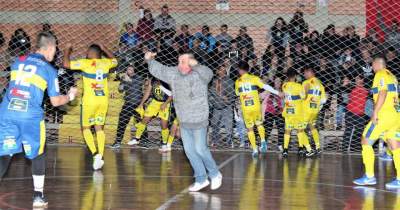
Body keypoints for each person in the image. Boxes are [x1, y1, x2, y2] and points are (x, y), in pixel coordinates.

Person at [0, 32, 78, 208]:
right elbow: (55, 102)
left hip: (7, 112)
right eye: (56, 49)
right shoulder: (48, 69)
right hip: (29, 115)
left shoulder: (17, 61)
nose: (55, 53)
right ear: (49, 47)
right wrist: (70, 96)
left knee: (5, 153)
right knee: (38, 153)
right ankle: (38, 196)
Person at [145, 52, 222, 192]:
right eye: (179, 61)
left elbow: (209, 73)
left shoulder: (200, 74)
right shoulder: (174, 73)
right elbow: (159, 70)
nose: (179, 64)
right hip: (184, 120)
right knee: (190, 151)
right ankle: (201, 179)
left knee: (200, 149)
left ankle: (215, 174)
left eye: (183, 61)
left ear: (191, 63)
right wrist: (150, 59)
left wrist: (196, 65)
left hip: (199, 119)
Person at [63, 43, 118, 170]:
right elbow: (115, 60)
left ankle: (95, 154)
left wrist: (67, 50)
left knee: (86, 128)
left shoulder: (85, 63)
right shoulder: (106, 63)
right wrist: (105, 49)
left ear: (90, 53)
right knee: (99, 129)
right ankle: (101, 156)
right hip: (103, 100)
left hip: (90, 101)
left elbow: (66, 64)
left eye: (87, 51)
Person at [353, 56, 400, 189]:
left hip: (384, 115)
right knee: (395, 146)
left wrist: (375, 112)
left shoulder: (380, 74)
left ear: (378, 63)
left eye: (372, 64)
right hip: (396, 115)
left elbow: (383, 92)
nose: (372, 67)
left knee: (365, 140)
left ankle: (369, 176)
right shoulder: (392, 76)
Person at [235, 60, 281, 157]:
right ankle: (263, 140)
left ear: (239, 70)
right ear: (248, 69)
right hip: (255, 106)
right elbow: (266, 86)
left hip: (246, 108)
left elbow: (238, 94)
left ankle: (255, 149)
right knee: (259, 124)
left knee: (250, 129)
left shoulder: (237, 82)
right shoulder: (254, 78)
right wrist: (277, 93)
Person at [128, 78, 173, 153]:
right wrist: (141, 103)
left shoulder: (167, 80)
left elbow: (173, 94)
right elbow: (147, 92)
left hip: (165, 103)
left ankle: (164, 144)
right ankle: (137, 139)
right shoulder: (152, 80)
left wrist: (165, 104)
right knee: (145, 119)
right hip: (155, 102)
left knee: (163, 124)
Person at [110, 64, 146, 149]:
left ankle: (144, 142)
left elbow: (136, 84)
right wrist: (122, 82)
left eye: (130, 69)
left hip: (138, 104)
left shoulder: (139, 78)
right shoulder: (124, 78)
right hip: (128, 103)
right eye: (127, 69)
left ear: (134, 70)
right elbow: (120, 90)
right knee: (122, 122)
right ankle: (118, 141)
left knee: (142, 123)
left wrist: (126, 78)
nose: (128, 71)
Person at [281, 69, 314, 157]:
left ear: (287, 76)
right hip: (297, 112)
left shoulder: (284, 86)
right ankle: (300, 148)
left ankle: (285, 150)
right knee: (300, 131)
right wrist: (307, 90)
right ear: (295, 76)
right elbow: (304, 97)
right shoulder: (299, 86)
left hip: (288, 111)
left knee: (287, 131)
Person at [302, 65, 326, 155]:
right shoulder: (320, 84)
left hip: (306, 110)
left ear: (310, 72)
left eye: (305, 72)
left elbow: (303, 97)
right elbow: (324, 100)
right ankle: (318, 147)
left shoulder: (306, 83)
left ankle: (309, 149)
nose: (304, 74)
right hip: (315, 111)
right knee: (312, 128)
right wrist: (317, 107)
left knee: (300, 129)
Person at [209, 64, 235, 147]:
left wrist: (227, 99)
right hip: (216, 106)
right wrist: (213, 102)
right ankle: (214, 141)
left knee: (228, 125)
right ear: (217, 71)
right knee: (215, 124)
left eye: (224, 70)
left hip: (227, 107)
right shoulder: (214, 81)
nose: (223, 72)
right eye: (221, 70)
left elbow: (232, 94)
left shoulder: (230, 81)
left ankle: (229, 141)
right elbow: (210, 93)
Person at [343, 75, 368, 152]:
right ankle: (345, 148)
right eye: (356, 79)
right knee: (348, 130)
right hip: (350, 112)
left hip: (360, 114)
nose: (356, 80)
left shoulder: (367, 90)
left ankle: (355, 147)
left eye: (358, 79)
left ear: (362, 80)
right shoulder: (351, 88)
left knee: (359, 131)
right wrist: (345, 84)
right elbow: (343, 88)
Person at [261, 76, 284, 152]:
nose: (277, 83)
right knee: (267, 127)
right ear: (274, 82)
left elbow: (285, 103)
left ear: (281, 83)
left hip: (279, 112)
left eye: (279, 81)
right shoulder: (270, 90)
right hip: (269, 111)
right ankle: (264, 143)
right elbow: (260, 96)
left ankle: (280, 144)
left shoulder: (283, 92)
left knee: (281, 127)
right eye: (276, 81)